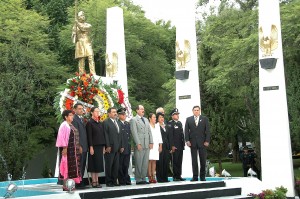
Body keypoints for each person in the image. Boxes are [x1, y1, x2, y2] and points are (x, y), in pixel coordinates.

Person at [56, 110, 82, 191]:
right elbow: (61, 137)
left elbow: (75, 137)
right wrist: (64, 148)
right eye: (70, 115)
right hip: (67, 150)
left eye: (72, 115)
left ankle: (71, 185)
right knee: (66, 166)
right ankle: (65, 185)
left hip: (74, 150)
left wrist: (79, 146)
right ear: (66, 117)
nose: (72, 117)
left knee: (73, 168)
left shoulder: (71, 125)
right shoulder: (64, 125)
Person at [185, 105, 210, 181]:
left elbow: (208, 131)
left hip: (202, 143)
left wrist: (207, 141)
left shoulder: (204, 119)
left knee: (203, 160)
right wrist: (187, 140)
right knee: (194, 161)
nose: (196, 111)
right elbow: (186, 131)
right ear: (193, 111)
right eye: (195, 110)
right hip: (192, 143)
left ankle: (202, 177)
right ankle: (195, 177)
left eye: (197, 110)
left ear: (199, 111)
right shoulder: (189, 119)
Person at [130, 105, 153, 185]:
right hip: (140, 143)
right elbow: (134, 132)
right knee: (139, 162)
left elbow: (149, 131)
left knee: (145, 162)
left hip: (146, 143)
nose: (143, 110)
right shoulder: (134, 120)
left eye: (143, 109)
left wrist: (151, 142)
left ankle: (143, 178)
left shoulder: (146, 119)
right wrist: (138, 143)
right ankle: (138, 179)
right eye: (141, 109)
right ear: (137, 110)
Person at [103, 107, 124, 187]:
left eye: (115, 112)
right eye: (113, 112)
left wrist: (121, 145)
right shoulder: (106, 122)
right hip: (110, 148)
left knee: (116, 166)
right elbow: (106, 135)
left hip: (117, 148)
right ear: (109, 113)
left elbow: (120, 135)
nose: (115, 113)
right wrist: (107, 146)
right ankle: (109, 181)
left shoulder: (117, 122)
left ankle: (114, 181)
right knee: (109, 165)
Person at [86, 107, 105, 188]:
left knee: (98, 164)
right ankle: (94, 181)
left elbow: (102, 135)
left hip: (100, 146)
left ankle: (97, 180)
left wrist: (104, 146)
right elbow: (89, 136)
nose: (98, 113)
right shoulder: (90, 123)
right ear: (92, 113)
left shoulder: (100, 123)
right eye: (96, 111)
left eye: (98, 111)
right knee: (93, 164)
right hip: (93, 146)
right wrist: (91, 147)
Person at [72, 11, 96, 75]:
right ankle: (81, 75)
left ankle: (93, 73)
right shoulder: (75, 27)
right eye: (81, 15)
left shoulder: (88, 25)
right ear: (78, 17)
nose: (83, 16)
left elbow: (83, 28)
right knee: (81, 60)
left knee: (90, 57)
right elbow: (73, 38)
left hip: (87, 42)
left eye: (83, 15)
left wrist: (77, 23)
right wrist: (74, 34)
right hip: (79, 43)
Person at [72, 103, 88, 188]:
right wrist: (79, 146)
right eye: (79, 109)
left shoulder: (81, 119)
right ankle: (78, 183)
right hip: (80, 146)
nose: (81, 110)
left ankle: (80, 181)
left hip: (85, 146)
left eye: (82, 109)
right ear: (74, 110)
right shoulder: (74, 119)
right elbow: (75, 133)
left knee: (82, 164)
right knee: (79, 165)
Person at [168, 108, 185, 181]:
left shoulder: (179, 123)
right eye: (176, 114)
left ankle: (179, 175)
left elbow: (181, 135)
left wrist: (183, 144)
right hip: (174, 146)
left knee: (179, 161)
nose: (177, 115)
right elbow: (170, 136)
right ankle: (175, 176)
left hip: (180, 145)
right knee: (174, 161)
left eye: (178, 114)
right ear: (172, 116)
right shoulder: (170, 123)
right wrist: (172, 145)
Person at [117, 108, 132, 186]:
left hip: (127, 146)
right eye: (122, 114)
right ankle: (121, 180)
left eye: (125, 114)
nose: (124, 115)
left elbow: (129, 135)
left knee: (126, 164)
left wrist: (130, 145)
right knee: (120, 164)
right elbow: (119, 137)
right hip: (121, 147)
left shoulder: (127, 123)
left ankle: (126, 178)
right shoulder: (117, 123)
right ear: (119, 115)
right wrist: (121, 146)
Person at [148, 113, 163, 183]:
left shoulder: (157, 126)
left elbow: (159, 136)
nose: (155, 119)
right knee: (149, 161)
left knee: (154, 161)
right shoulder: (148, 126)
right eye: (153, 117)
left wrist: (160, 145)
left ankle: (153, 176)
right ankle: (149, 176)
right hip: (150, 145)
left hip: (156, 145)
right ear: (150, 118)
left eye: (155, 117)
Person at [156, 112, 171, 183]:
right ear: (157, 119)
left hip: (166, 146)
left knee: (166, 162)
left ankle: (165, 178)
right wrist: (159, 145)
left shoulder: (166, 126)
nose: (162, 119)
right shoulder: (156, 126)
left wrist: (170, 147)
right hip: (160, 146)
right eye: (160, 117)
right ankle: (160, 178)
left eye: (162, 117)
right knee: (160, 162)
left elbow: (168, 137)